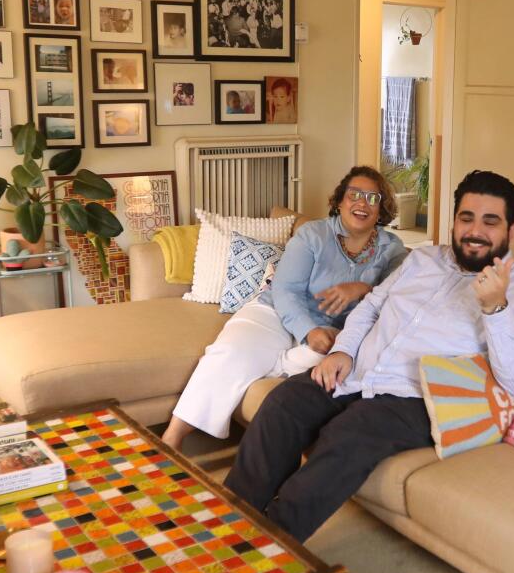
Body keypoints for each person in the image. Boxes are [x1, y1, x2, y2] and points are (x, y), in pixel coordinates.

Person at [226, 170, 514, 542]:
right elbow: (371, 306)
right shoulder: (422, 260)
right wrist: (343, 350)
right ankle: (229, 524)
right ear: (454, 222)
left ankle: (268, 548)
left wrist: (496, 309)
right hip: (358, 372)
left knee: (348, 435)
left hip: (415, 397)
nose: (475, 230)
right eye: (466, 218)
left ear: (511, 230)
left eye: (490, 221)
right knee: (283, 404)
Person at [163, 168, 406, 450]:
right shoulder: (313, 234)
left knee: (341, 360)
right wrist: (308, 330)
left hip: (334, 330)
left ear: (381, 208)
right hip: (276, 312)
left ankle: (271, 363)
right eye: (354, 195)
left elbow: (397, 298)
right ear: (340, 201)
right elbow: (286, 289)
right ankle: (172, 438)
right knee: (230, 351)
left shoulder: (393, 249)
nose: (362, 203)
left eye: (372, 198)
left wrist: (362, 288)